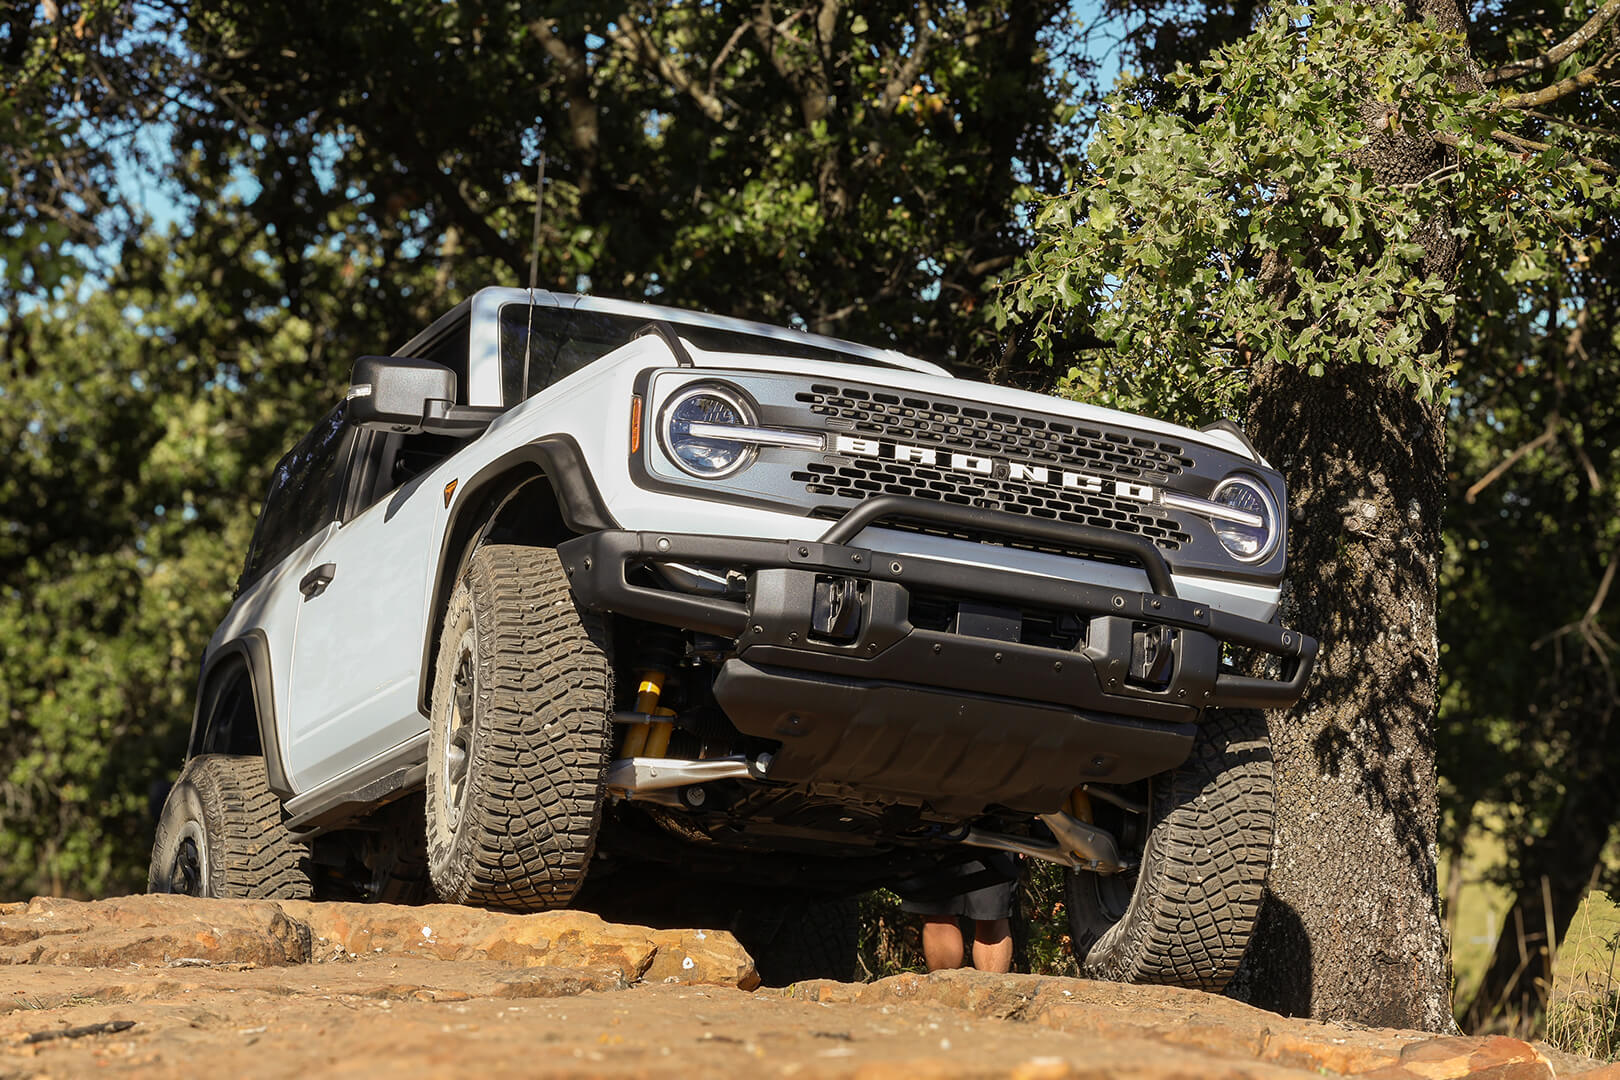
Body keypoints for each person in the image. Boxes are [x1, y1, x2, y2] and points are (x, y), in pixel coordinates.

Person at [901, 852, 1017, 973]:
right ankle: (943, 988)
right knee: (938, 915)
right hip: (930, 838)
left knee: (991, 917)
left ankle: (992, 990)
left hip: (993, 838)